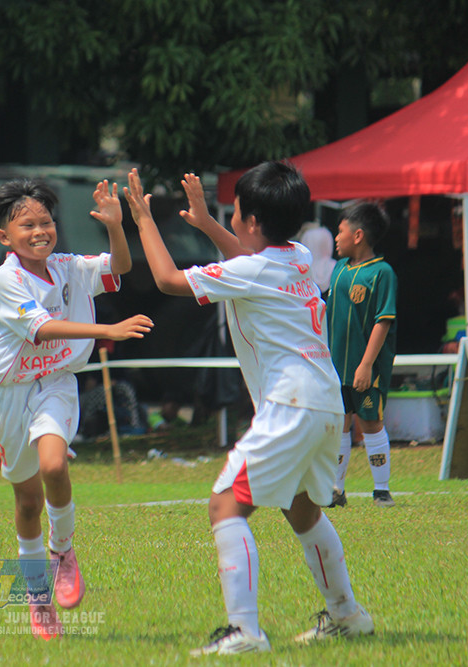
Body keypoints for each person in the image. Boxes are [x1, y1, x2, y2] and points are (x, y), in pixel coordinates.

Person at [125, 163, 373, 655]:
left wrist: (144, 220)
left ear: (253, 220)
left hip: (291, 404)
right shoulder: (298, 255)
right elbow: (248, 257)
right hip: (323, 403)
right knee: (300, 507)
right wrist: (207, 224)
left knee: (224, 505)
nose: (232, 218)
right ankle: (348, 615)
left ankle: (245, 632)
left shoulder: (253, 269)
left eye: (235, 212)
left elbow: (170, 280)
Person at [0, 178, 152, 640]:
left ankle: (64, 551)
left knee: (54, 464)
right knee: (27, 500)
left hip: (56, 383)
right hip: (9, 392)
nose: (40, 231)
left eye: (46, 222)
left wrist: (117, 227)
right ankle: (38, 600)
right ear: (4, 237)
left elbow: (119, 268)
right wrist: (107, 331)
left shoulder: (68, 266)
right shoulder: (6, 279)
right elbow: (42, 330)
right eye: (27, 225)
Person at [327, 202, 397, 508]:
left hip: (365, 367)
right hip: (335, 365)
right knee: (339, 423)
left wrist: (366, 364)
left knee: (370, 422)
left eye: (340, 231)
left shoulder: (382, 273)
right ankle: (336, 490)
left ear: (358, 235)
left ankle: (381, 489)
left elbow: (383, 321)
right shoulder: (339, 269)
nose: (335, 237)